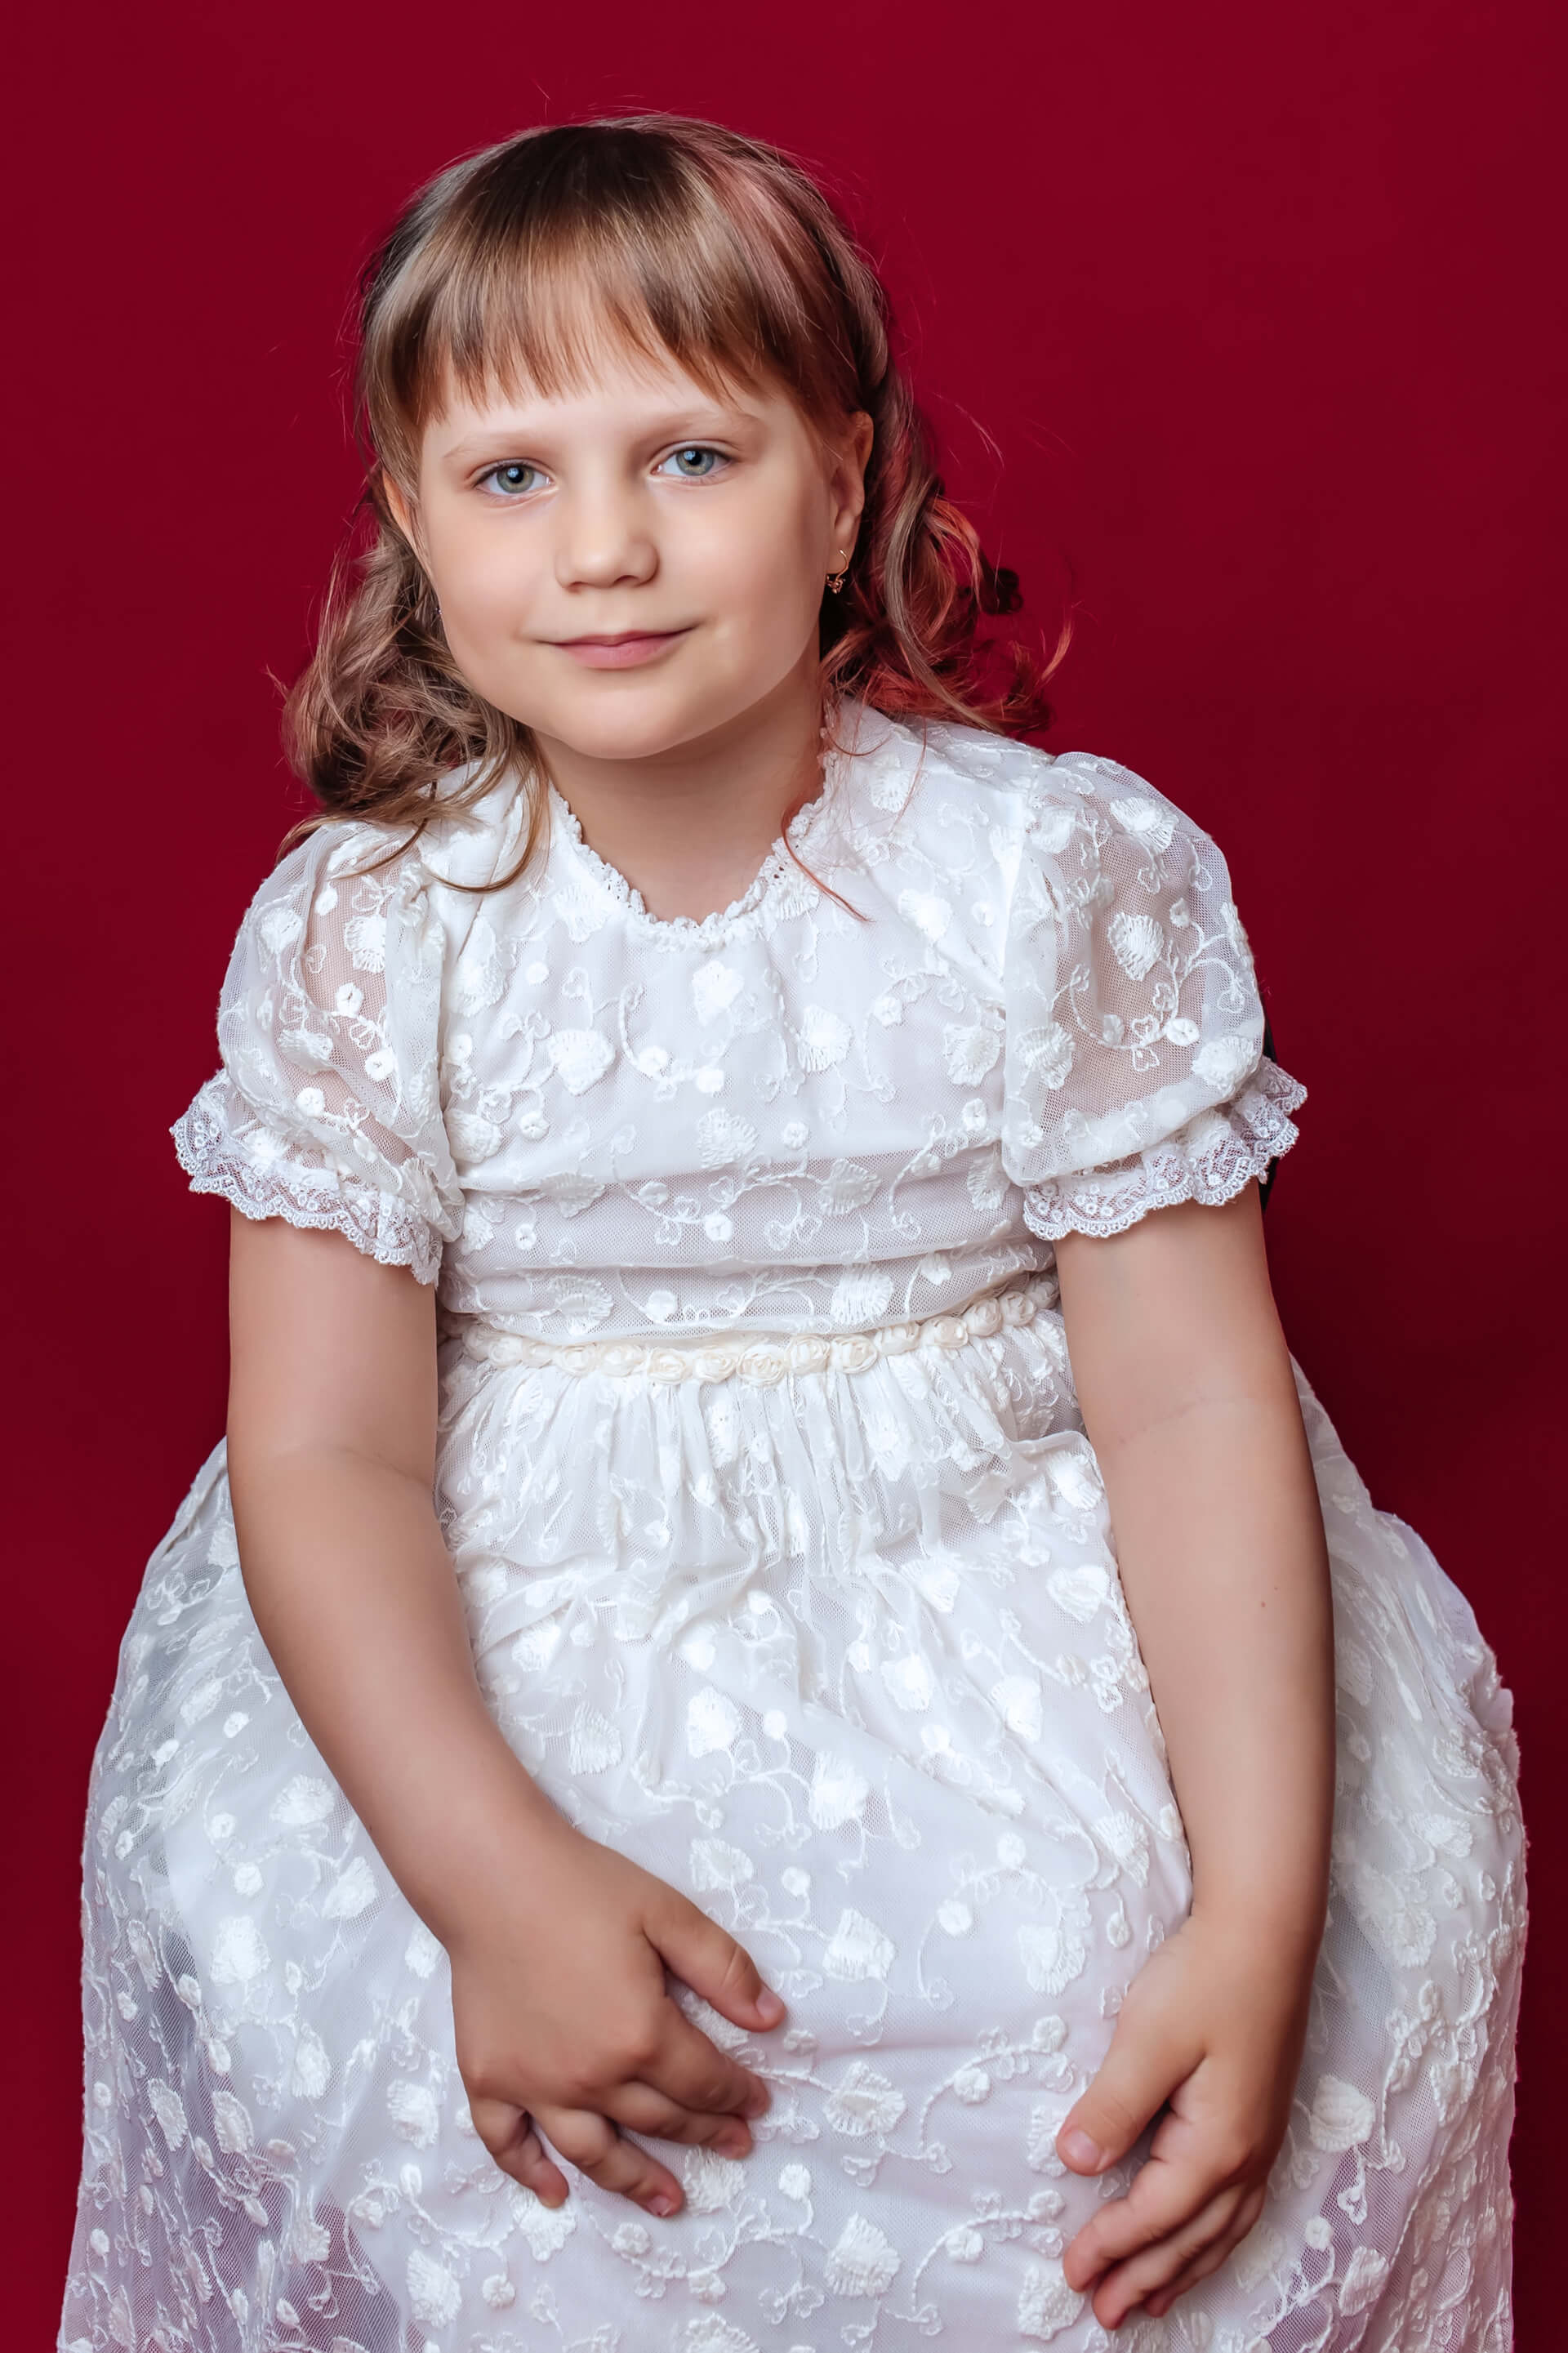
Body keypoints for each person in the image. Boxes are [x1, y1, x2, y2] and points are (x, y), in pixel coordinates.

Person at [59, 114, 1526, 2352]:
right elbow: (329, 1452)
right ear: (414, 530)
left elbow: (1191, 1398)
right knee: (367, 2036)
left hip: (1002, 1584)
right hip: (499, 1624)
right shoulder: (372, 932)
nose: (607, 547)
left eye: (692, 455)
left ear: (843, 489)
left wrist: (1256, 1909)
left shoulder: (1055, 880)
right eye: (514, 475)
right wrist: (493, 1883)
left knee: (1092, 1992)